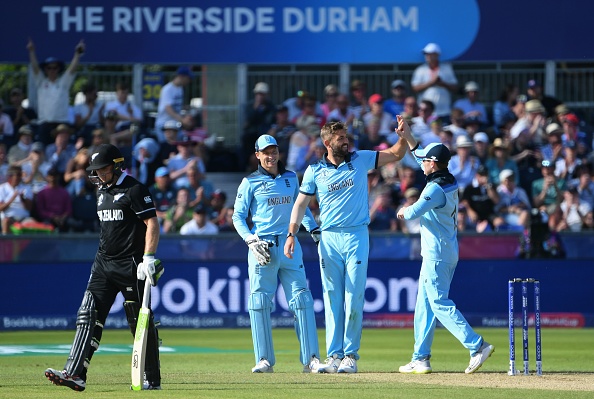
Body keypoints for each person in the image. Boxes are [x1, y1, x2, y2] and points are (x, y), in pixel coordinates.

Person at [284, 119, 412, 374]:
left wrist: (404, 135)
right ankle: (334, 356)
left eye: (346, 136)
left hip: (356, 236)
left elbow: (397, 153)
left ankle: (350, 355)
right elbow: (299, 205)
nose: (346, 141)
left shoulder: (360, 159)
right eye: (341, 138)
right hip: (329, 238)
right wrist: (291, 234)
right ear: (327, 142)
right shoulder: (314, 171)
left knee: (353, 295)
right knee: (332, 299)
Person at [44, 144, 164, 391]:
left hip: (131, 265)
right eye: (95, 170)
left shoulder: (134, 189)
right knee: (87, 315)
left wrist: (148, 257)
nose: (98, 174)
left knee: (139, 322)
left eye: (103, 169)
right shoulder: (101, 191)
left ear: (116, 165)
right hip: (102, 264)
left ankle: (152, 378)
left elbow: (152, 223)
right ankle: (75, 373)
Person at [396, 141, 494, 374]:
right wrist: (407, 135)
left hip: (437, 253)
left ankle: (477, 346)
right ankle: (420, 358)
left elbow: (413, 212)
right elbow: (420, 156)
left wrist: (401, 210)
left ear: (433, 163)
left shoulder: (435, 189)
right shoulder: (448, 179)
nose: (422, 165)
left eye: (426, 162)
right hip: (444, 250)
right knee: (424, 306)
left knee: (438, 303)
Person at [232, 134, 322, 373]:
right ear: (257, 155)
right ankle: (264, 360)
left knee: (302, 300)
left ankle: (311, 359)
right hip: (263, 248)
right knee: (260, 302)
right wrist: (250, 240)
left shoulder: (292, 178)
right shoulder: (249, 182)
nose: (271, 156)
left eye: (274, 151)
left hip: (290, 246)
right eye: (266, 152)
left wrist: (313, 229)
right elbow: (237, 217)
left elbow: (300, 207)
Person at [27, 38, 85, 145]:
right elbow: (35, 68)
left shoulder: (63, 83)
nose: (52, 70)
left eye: (55, 68)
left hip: (61, 123)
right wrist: (31, 51)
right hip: (44, 124)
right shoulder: (41, 82)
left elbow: (72, 69)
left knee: (62, 149)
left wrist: (77, 54)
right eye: (49, 68)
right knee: (42, 149)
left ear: (58, 69)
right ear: (45, 69)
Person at [411, 43, 458, 122]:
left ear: (437, 55)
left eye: (430, 54)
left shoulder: (446, 69)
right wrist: (431, 82)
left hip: (444, 111)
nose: (427, 56)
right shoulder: (420, 70)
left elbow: (455, 87)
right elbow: (415, 88)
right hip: (426, 113)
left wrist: (442, 83)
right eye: (426, 54)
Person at [155, 66, 193, 141]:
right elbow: (168, 108)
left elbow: (177, 107)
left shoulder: (180, 89)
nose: (189, 81)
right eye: (188, 78)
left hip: (175, 124)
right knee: (166, 147)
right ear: (181, 76)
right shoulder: (167, 89)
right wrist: (182, 120)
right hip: (164, 125)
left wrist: (186, 115)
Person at [0, 165, 34, 234]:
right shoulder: (2, 188)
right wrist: (12, 198)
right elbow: (1, 208)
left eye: (20, 175)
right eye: (17, 175)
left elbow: (29, 208)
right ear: (10, 177)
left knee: (33, 222)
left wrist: (22, 199)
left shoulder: (26, 188)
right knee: (6, 221)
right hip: (9, 218)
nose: (19, 178)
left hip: (24, 218)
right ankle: (5, 244)